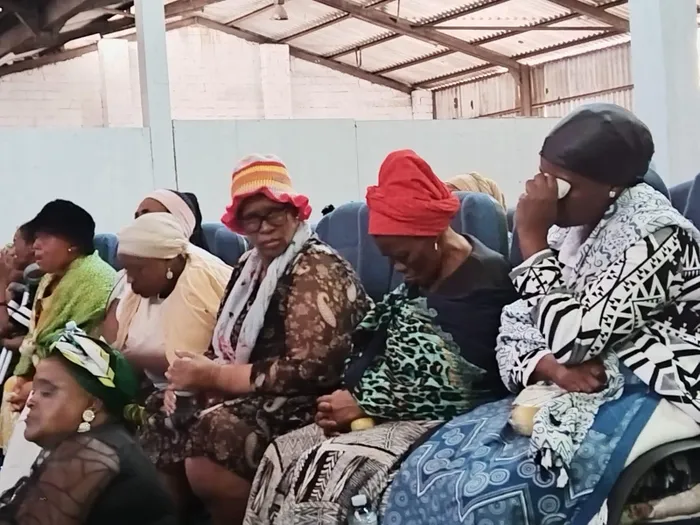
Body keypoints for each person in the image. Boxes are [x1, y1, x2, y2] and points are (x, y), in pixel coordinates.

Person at [383, 104, 700, 524]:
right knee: (433, 466)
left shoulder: (661, 238)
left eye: (560, 184)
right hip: (573, 385)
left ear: (611, 186)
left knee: (489, 500)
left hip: (655, 387)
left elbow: (576, 339)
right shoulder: (572, 229)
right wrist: (551, 367)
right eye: (541, 175)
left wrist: (531, 242)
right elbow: (515, 325)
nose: (541, 192)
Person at [244, 150, 516, 525]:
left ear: (434, 235)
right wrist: (350, 401)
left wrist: (365, 403)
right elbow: (376, 349)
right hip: (386, 408)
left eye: (403, 255)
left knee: (329, 470)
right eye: (389, 258)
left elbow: (458, 385)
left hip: (452, 420)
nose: (398, 268)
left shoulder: (485, 279)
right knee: (282, 454)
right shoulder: (421, 278)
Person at [153, 154, 370, 525]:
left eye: (275, 214)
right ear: (241, 225)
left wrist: (217, 378)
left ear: (295, 213)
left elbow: (313, 369)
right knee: (164, 408)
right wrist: (191, 380)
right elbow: (223, 342)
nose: (265, 227)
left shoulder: (316, 266)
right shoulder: (247, 266)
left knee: (216, 429)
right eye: (253, 218)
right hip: (256, 388)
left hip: (315, 399)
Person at [104, 212, 231, 516]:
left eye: (137, 270)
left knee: (165, 418)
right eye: (126, 270)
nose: (129, 280)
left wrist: (173, 383)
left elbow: (205, 356)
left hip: (216, 383)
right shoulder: (147, 285)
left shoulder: (198, 281)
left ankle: (167, 515)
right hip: (166, 383)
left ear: (168, 263)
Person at [0, 323, 177, 525]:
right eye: (35, 391)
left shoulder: (94, 451)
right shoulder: (102, 441)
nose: (31, 401)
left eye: (47, 392)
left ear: (94, 405)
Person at [0, 200, 117, 494]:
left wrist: (36, 386)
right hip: (43, 378)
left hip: (79, 384)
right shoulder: (50, 278)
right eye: (35, 238)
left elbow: (80, 348)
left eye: (45, 237)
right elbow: (37, 339)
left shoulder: (95, 278)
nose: (35, 246)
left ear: (72, 244)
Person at [135, 189, 209, 251]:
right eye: (137, 218)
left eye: (146, 216)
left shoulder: (202, 263)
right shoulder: (132, 259)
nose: (138, 223)